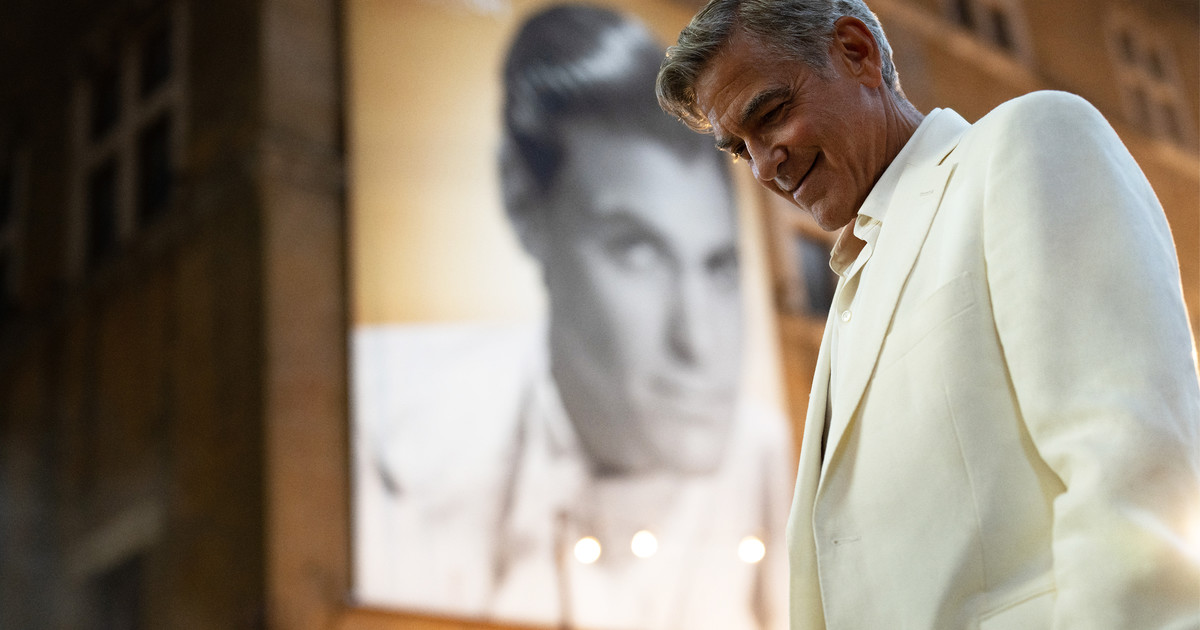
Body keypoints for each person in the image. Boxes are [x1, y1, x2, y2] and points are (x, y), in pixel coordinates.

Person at [656, 1, 1200, 629]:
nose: (762, 167)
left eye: (771, 114)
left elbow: (1133, 470)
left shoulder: (1030, 139)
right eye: (738, 149)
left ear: (856, 52)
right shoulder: (849, 295)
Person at [353, 5, 790, 629]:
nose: (697, 342)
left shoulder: (766, 459)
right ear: (523, 204)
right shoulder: (385, 420)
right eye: (637, 253)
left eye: (718, 267)